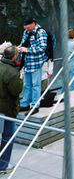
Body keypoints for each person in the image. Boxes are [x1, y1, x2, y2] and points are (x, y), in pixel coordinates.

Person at [0, 46, 23, 174]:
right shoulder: (12, 73)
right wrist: (20, 79)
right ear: (14, 57)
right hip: (7, 110)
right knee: (8, 137)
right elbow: (16, 91)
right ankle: (2, 166)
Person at [18, 17, 48, 113]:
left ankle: (35, 106)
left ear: (33, 23)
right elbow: (24, 43)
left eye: (27, 25)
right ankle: (25, 104)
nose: (25, 27)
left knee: (36, 85)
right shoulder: (26, 32)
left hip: (36, 62)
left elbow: (42, 47)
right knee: (27, 84)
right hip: (27, 62)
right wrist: (19, 47)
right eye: (25, 25)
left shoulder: (41, 32)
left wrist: (27, 50)